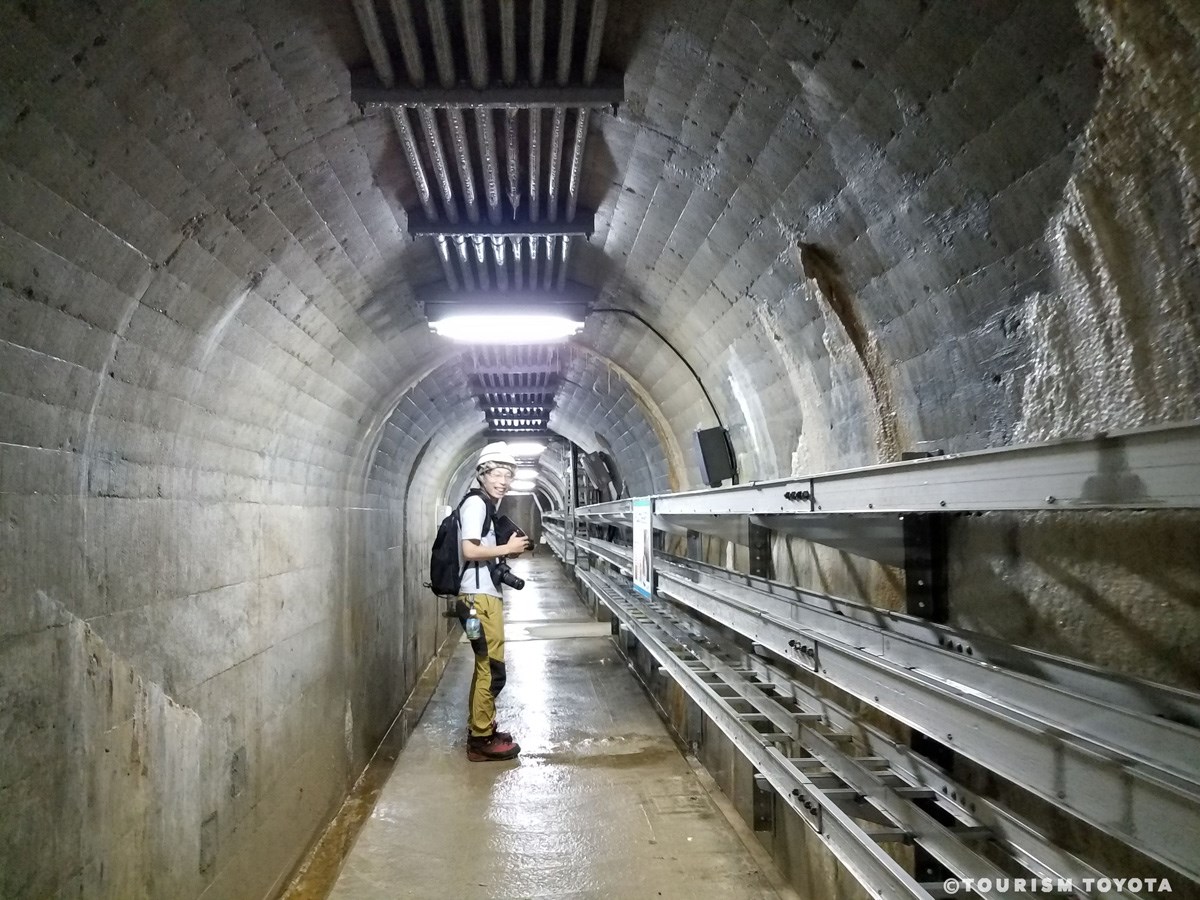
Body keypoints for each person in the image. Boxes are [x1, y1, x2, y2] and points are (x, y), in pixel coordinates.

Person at [457, 441, 532, 761]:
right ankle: (481, 741)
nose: (503, 480)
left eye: (508, 474)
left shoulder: (486, 506)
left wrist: (505, 550)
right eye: (497, 473)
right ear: (482, 475)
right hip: (478, 601)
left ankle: (482, 727)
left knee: (485, 666)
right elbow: (470, 551)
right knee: (492, 668)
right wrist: (506, 550)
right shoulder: (475, 504)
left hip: (482, 598)